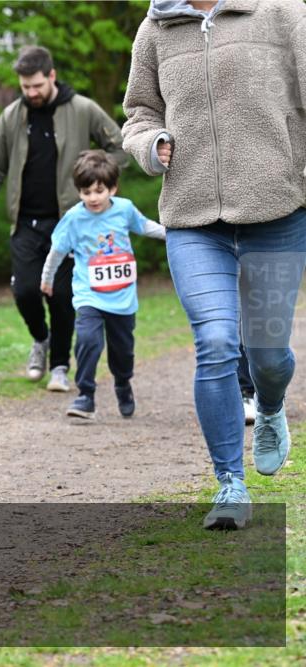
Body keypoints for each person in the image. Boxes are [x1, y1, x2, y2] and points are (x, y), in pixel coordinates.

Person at [123, 0, 306, 529]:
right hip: (192, 217)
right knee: (218, 341)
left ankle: (270, 408)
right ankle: (230, 485)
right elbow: (139, 113)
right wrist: (150, 143)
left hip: (276, 210)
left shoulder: (281, 13)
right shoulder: (155, 28)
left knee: (268, 356)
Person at [0, 45, 130, 392]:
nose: (31, 93)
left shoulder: (82, 109)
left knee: (63, 296)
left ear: (51, 76)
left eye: (37, 85)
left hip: (70, 225)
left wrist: (96, 171)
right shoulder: (11, 117)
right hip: (25, 224)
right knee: (24, 291)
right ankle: (41, 339)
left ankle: (59, 366)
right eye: (25, 87)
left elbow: (121, 146)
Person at [40, 150, 166, 419]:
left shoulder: (124, 209)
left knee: (122, 352)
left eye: (99, 191)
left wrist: (174, 233)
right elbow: (56, 252)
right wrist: (47, 279)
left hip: (122, 297)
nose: (93, 198)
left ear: (113, 188)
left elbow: (145, 227)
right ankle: (85, 395)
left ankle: (122, 383)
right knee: (88, 340)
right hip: (89, 295)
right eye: (86, 192)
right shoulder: (74, 218)